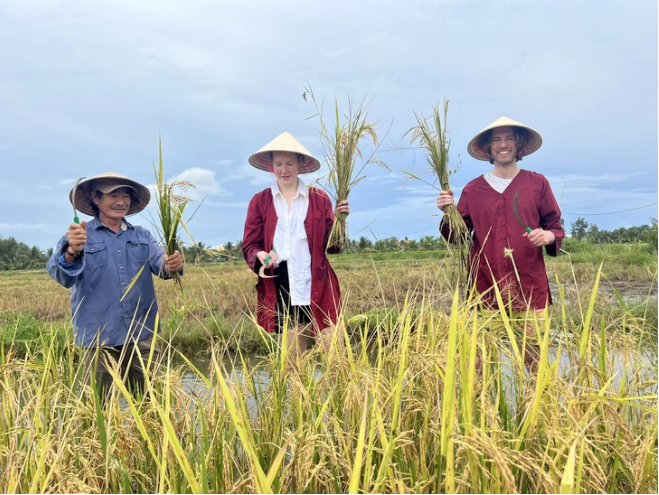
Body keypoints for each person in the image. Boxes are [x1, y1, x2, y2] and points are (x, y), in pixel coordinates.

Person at [437, 117, 564, 368]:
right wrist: (447, 212)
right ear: (488, 149)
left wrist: (548, 236)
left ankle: (534, 407)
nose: (503, 144)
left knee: (535, 366)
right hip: (484, 289)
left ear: (519, 146)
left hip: (529, 289)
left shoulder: (537, 183)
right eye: (496, 139)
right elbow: (457, 237)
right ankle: (484, 408)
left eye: (509, 139)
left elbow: (555, 228)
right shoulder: (473, 189)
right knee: (480, 367)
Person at [47, 172, 184, 399]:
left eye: (125, 196)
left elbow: (161, 264)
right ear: (95, 198)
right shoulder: (79, 236)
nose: (120, 201)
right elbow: (61, 276)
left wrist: (171, 264)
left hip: (141, 334)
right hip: (98, 338)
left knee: (152, 404)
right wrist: (72, 251)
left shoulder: (141, 235)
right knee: (98, 410)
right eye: (113, 195)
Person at [242, 132, 349, 363]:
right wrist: (260, 254)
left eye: (289, 163)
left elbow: (333, 248)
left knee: (336, 356)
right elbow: (250, 245)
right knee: (292, 363)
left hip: (317, 279)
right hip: (282, 282)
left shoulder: (319, 199)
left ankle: (340, 398)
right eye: (278, 163)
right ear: (271, 166)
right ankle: (297, 399)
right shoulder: (260, 201)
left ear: (300, 165)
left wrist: (341, 222)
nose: (284, 169)